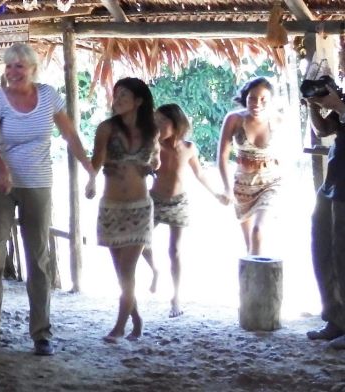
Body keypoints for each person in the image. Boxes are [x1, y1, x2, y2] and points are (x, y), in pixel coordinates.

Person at [0, 43, 95, 358]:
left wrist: (90, 169)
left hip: (38, 182)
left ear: (33, 69)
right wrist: (3, 167)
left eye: (19, 66)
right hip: (1, 184)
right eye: (9, 67)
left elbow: (70, 135)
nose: (12, 72)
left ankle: (41, 334)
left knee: (38, 258)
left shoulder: (49, 96)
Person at [85, 77, 160, 343]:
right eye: (115, 95)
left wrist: (150, 168)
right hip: (112, 207)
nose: (117, 100)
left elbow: (156, 160)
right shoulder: (106, 128)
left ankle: (119, 326)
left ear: (139, 101)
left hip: (140, 209)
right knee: (121, 273)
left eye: (124, 96)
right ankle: (136, 318)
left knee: (127, 271)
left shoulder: (152, 131)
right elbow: (96, 161)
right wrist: (91, 180)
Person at [141, 104, 229, 318]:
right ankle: (155, 270)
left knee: (175, 251)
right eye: (157, 121)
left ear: (177, 124)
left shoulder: (189, 148)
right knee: (140, 242)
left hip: (179, 202)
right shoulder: (154, 146)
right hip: (155, 200)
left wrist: (217, 194)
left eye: (164, 122)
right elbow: (144, 168)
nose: (159, 125)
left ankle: (176, 298)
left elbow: (199, 174)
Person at [217, 77, 283, 255]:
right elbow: (222, 155)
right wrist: (226, 187)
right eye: (252, 98)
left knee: (257, 232)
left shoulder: (277, 120)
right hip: (243, 186)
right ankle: (252, 280)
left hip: (270, 183)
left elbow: (285, 152)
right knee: (250, 247)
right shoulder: (234, 119)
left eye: (263, 99)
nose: (256, 103)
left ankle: (260, 280)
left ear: (270, 101)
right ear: (245, 97)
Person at [303, 84, 345, 348]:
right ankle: (336, 319)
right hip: (333, 183)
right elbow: (324, 130)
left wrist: (338, 106)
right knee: (323, 252)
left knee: (343, 254)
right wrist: (314, 106)